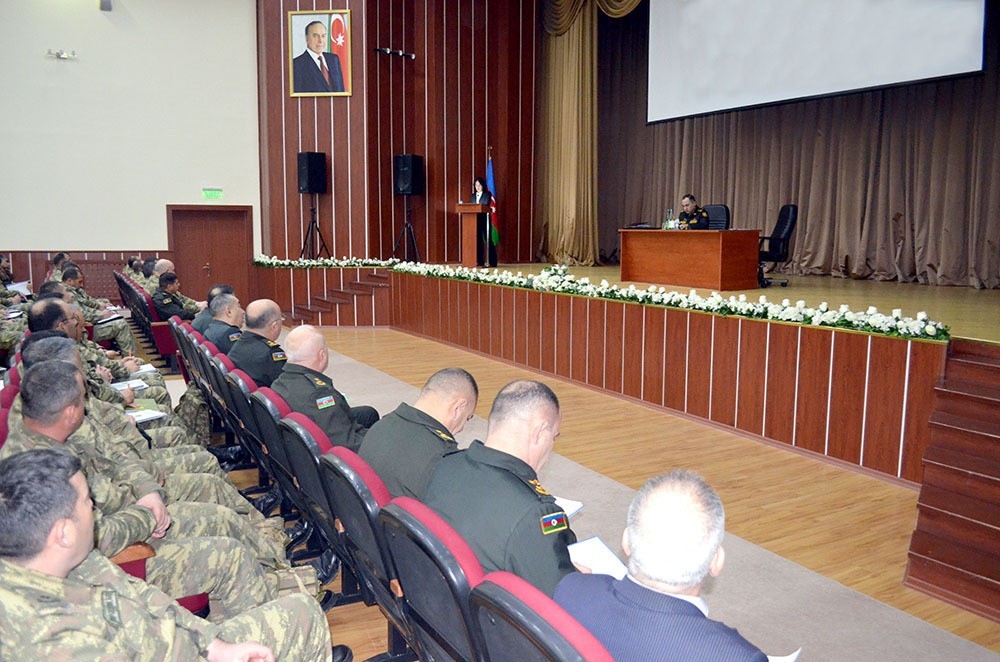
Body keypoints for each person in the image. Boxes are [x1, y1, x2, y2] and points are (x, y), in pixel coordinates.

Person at [0, 448, 347, 661]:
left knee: (296, 610)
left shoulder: (65, 559)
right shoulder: (53, 643)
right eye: (89, 504)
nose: (95, 511)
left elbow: (137, 594)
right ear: (63, 533)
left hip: (180, 644)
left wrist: (213, 644)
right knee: (303, 614)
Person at [554, 470, 767, 661]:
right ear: (716, 562)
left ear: (627, 542)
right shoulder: (738, 656)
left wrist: (590, 583)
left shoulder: (571, 589)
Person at [423, 380, 574, 596]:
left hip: (436, 602)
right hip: (485, 623)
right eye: (554, 436)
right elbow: (558, 598)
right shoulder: (536, 514)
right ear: (540, 431)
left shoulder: (445, 464)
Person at [359, 368, 478, 499]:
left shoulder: (381, 425)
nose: (462, 428)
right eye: (468, 418)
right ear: (458, 408)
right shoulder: (442, 458)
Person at [271, 325, 378, 451]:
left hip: (301, 445)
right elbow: (347, 444)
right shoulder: (319, 394)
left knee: (368, 413)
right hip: (337, 455)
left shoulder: (281, 381)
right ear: (322, 355)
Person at [229, 299, 288, 387]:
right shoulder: (271, 353)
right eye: (281, 318)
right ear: (274, 326)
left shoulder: (240, 342)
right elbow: (285, 386)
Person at [293, 20, 345, 94]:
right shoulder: (297, 64)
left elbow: (341, 90)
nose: (320, 41)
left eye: (323, 36)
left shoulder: (334, 59)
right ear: (306, 38)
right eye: (315, 36)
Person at [471, 177, 497, 267]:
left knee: (488, 239)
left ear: (483, 186)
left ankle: (492, 262)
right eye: (476, 185)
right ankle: (479, 261)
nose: (477, 187)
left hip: (484, 219)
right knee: (477, 241)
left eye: (479, 185)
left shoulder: (487, 194)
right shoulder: (473, 196)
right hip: (475, 220)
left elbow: (485, 205)